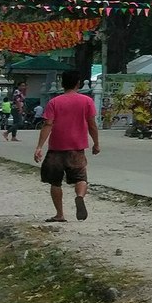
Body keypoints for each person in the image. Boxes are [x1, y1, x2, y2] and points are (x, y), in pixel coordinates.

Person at [33, 70, 100, 222]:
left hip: (56, 148)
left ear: (62, 84)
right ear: (78, 83)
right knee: (81, 178)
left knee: (55, 182)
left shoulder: (54, 102)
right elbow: (92, 125)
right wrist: (96, 143)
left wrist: (39, 147)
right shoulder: (87, 101)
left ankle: (60, 214)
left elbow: (47, 124)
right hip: (77, 148)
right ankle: (80, 196)